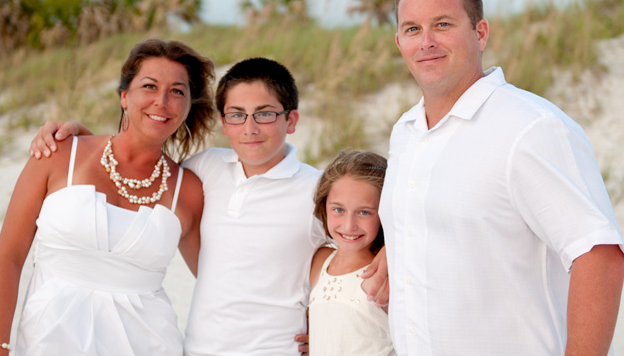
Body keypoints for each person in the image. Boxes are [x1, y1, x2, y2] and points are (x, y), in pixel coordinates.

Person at [27, 57, 390, 355]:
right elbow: (135, 159)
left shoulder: (316, 190)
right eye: (236, 114)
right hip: (197, 349)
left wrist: (387, 253)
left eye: (265, 113)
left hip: (277, 349)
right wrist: (80, 135)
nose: (250, 127)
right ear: (223, 122)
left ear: (290, 120)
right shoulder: (205, 169)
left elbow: (363, 235)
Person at [375, 0, 624, 355]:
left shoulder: (530, 128)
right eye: (412, 29)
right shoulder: (406, 132)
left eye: (442, 25)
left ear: (480, 33)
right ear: (398, 42)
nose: (426, 42)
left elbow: (599, 256)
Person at [0, 38, 216, 355]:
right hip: (49, 342)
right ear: (125, 96)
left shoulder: (189, 189)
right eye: (149, 86)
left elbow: (219, 281)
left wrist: (307, 317)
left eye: (177, 91)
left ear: (188, 105)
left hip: (151, 344)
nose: (162, 101)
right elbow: (8, 258)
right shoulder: (60, 153)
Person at [308, 150, 395, 356]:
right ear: (324, 205)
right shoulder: (320, 261)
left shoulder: (387, 275)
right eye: (338, 209)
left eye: (364, 212)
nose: (349, 225)